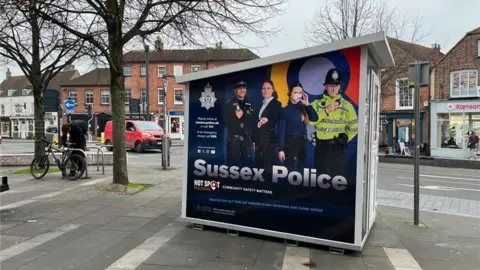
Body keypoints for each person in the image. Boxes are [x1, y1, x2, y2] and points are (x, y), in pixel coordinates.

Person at [310, 68, 358, 176]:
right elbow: (310, 122)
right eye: (331, 85)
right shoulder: (317, 104)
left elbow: (355, 127)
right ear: (325, 86)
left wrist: (345, 138)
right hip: (320, 147)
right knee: (320, 178)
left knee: (337, 178)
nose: (333, 89)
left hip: (336, 148)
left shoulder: (347, 106)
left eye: (336, 86)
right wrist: (326, 110)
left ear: (340, 86)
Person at [277, 82, 318, 171]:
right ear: (289, 93)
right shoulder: (285, 110)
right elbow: (281, 131)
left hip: (303, 142)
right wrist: (281, 149)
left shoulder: (303, 107)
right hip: (290, 143)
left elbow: (315, 118)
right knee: (291, 171)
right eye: (295, 92)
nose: (298, 95)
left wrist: (307, 104)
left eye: (300, 93)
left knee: (301, 171)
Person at [222, 81, 255, 167]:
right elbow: (224, 122)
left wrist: (254, 141)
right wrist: (234, 116)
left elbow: (252, 124)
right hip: (234, 141)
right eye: (239, 88)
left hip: (247, 141)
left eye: (243, 88)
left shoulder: (249, 105)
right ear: (235, 91)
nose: (242, 90)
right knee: (233, 167)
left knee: (248, 168)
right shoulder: (229, 104)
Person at [253, 80, 282, 171]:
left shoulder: (276, 104)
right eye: (264, 88)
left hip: (269, 142)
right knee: (258, 171)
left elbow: (275, 120)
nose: (265, 90)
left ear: (273, 90)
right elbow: (255, 124)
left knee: (268, 170)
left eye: (268, 88)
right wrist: (254, 141)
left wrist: (268, 120)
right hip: (259, 142)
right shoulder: (259, 105)